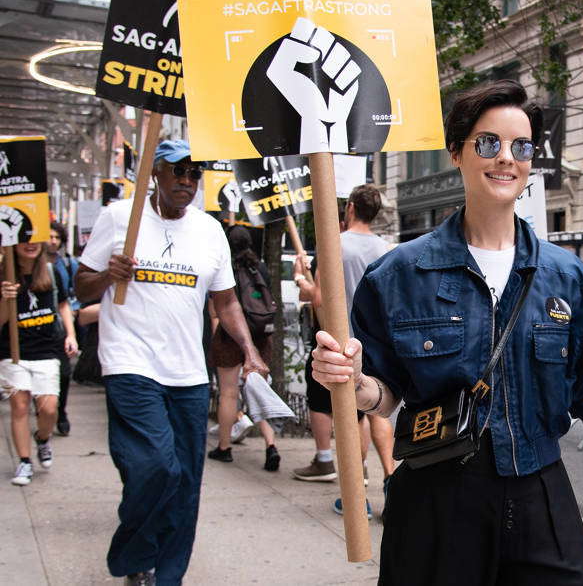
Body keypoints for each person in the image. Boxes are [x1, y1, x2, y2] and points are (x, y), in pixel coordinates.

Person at [311, 80, 583, 583]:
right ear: (456, 153)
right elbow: (383, 396)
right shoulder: (398, 275)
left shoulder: (568, 277)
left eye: (522, 147)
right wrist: (352, 381)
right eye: (488, 144)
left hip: (540, 497)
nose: (506, 158)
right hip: (436, 500)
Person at [76, 139, 268, 586]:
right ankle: (134, 553)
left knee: (185, 480)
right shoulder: (118, 219)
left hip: (187, 373)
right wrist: (110, 275)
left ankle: (168, 574)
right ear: (154, 173)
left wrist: (251, 352)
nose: (187, 181)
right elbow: (84, 288)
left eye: (194, 174)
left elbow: (227, 303)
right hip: (130, 363)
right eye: (177, 171)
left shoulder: (208, 230)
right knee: (154, 466)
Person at [293, 184, 393, 519]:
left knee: (350, 419)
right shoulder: (386, 248)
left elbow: (319, 298)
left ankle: (357, 495)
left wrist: (302, 283)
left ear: (350, 208)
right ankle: (392, 481)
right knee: (379, 412)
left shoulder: (334, 244)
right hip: (378, 343)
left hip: (343, 346)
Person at [0, 240, 78, 486]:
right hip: (13, 351)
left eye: (35, 239)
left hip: (47, 350)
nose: (30, 245)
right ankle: (24, 462)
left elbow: (63, 304)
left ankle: (42, 439)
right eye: (24, 240)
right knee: (20, 406)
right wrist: (5, 298)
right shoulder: (3, 273)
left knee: (49, 409)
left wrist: (71, 334)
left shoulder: (51, 270)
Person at [207, 226, 280, 471]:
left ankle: (224, 447)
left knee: (228, 393)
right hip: (259, 337)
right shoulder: (258, 268)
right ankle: (271, 445)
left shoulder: (225, 268)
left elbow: (216, 310)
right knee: (258, 391)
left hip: (230, 337)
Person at [48, 221, 78, 435]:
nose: (53, 241)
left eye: (57, 237)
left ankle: (61, 411)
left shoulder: (66, 264)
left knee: (64, 374)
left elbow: (69, 297)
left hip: (60, 326)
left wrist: (71, 332)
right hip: (34, 331)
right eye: (49, 236)